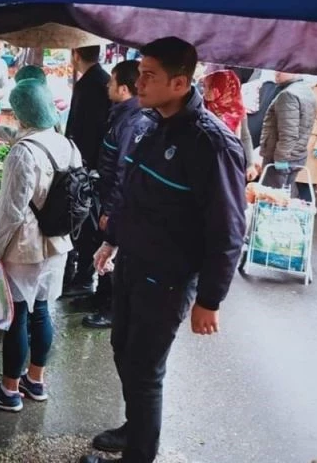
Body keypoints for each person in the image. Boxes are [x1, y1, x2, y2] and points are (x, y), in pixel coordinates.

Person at [79, 37, 246, 463]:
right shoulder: (148, 124)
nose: (139, 82)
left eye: (150, 75)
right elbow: (133, 192)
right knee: (122, 350)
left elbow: (227, 228)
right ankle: (135, 427)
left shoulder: (211, 143)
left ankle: (139, 454)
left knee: (145, 370)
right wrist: (112, 239)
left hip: (169, 278)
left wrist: (210, 299)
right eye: (140, 72)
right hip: (133, 263)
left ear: (179, 82)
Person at [0, 79, 79, 412]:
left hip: (26, 247)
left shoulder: (23, 152)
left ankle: (8, 392)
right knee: (43, 311)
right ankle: (36, 381)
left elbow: (11, 211)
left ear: (21, 112)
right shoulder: (67, 144)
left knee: (17, 316)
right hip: (58, 242)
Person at [82, 60, 146, 330]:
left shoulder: (133, 123)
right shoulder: (121, 115)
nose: (107, 85)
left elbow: (123, 173)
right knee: (103, 250)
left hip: (116, 205)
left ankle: (109, 310)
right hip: (107, 198)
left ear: (122, 88)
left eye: (111, 82)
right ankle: (99, 299)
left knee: (112, 253)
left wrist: (110, 211)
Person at [64, 45, 111, 298]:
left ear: (76, 55)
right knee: (90, 224)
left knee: (86, 224)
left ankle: (83, 277)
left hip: (87, 168)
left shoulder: (88, 84)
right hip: (97, 166)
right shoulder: (103, 80)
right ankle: (83, 275)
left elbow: (81, 129)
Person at [259, 72, 317, 193]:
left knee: (273, 199)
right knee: (286, 193)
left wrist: (280, 159)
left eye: (282, 69)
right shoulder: (306, 90)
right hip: (296, 156)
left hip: (281, 159)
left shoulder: (288, 94)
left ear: (295, 71)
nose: (277, 72)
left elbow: (288, 133)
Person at [201, 70, 258, 181]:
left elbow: (245, 137)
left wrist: (250, 165)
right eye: (204, 87)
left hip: (229, 163)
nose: (204, 92)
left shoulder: (237, 111)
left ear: (223, 89)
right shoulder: (202, 108)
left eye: (209, 87)